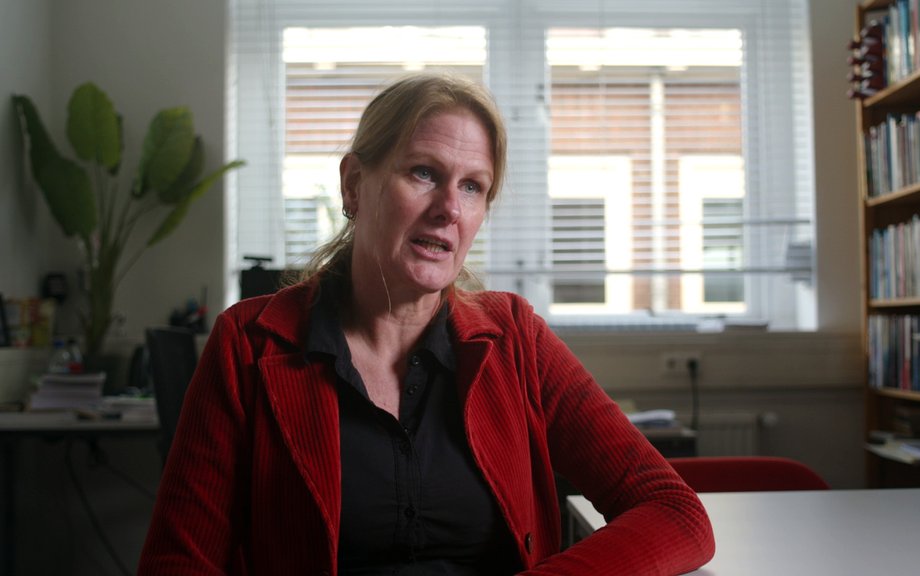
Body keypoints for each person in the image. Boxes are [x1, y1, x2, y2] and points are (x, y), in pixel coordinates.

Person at [137, 72, 714, 576]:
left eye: (472, 186)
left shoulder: (515, 339)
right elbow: (178, 565)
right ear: (353, 184)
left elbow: (675, 512)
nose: (450, 209)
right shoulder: (249, 345)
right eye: (423, 173)